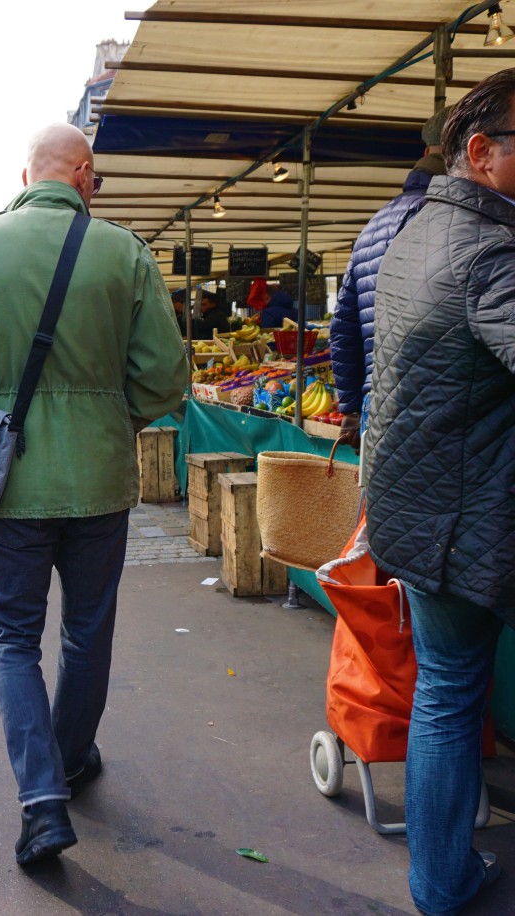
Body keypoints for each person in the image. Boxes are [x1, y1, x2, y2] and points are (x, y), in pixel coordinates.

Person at [0, 123, 187, 865]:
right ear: (84, 174)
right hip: (99, 477)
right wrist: (107, 415)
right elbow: (165, 378)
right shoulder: (124, 252)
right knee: (88, 631)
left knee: (10, 637)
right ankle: (69, 759)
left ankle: (41, 801)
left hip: (13, 482)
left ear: (26, 174)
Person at [364, 73, 515, 915]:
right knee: (452, 698)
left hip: (422, 510)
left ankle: (442, 874)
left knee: (444, 696)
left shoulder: (421, 229)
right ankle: (444, 881)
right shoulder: (489, 250)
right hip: (462, 516)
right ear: (482, 153)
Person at [330, 108, 450, 449]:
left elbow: (343, 326)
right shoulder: (447, 218)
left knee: (383, 501)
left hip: (377, 402)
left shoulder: (375, 223)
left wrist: (352, 408)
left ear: (426, 153)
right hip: (429, 408)